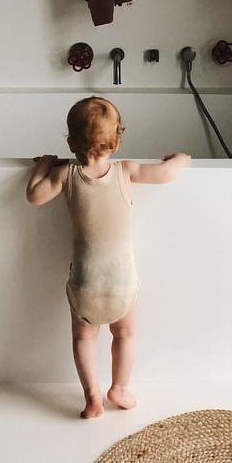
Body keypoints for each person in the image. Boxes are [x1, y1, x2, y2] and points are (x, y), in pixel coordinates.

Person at [26, 96, 190, 419]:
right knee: (125, 335)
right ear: (116, 141)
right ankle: (120, 388)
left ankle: (92, 397)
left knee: (84, 339)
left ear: (71, 142)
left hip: (85, 283)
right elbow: (165, 174)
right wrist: (181, 159)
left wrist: (43, 165)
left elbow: (33, 195)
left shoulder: (65, 175)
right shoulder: (125, 171)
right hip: (122, 282)